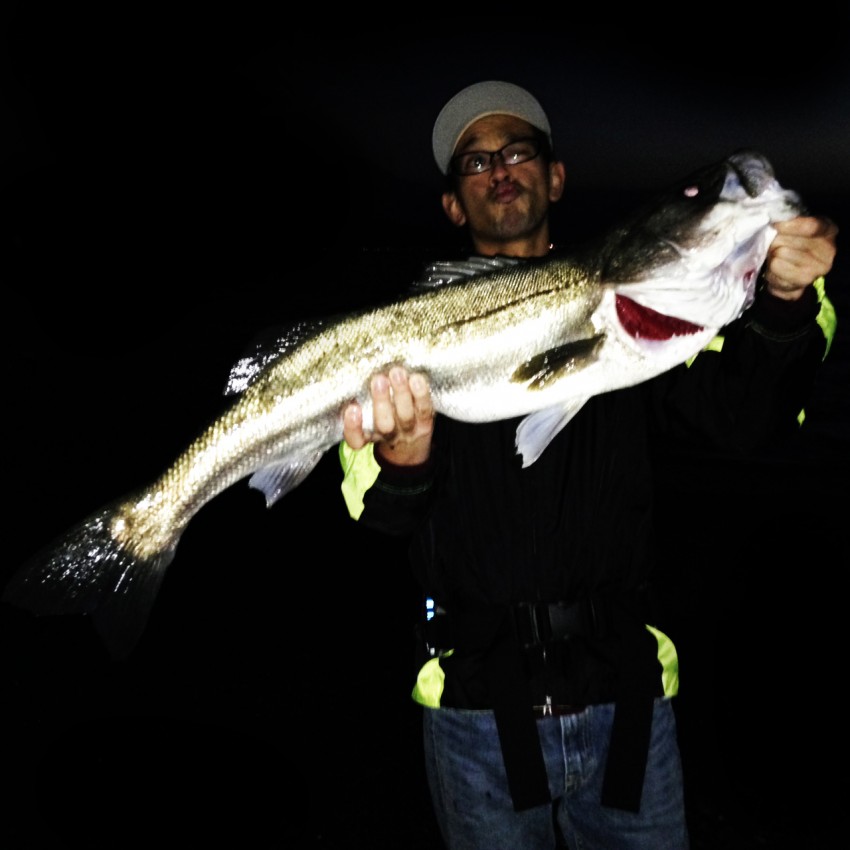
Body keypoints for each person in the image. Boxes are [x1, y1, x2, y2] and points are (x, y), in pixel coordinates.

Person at [338, 81, 838, 850]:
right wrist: (405, 461)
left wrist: (784, 302)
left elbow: (750, 418)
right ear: (452, 205)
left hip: (627, 697)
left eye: (518, 151)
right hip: (474, 705)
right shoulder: (405, 340)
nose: (499, 169)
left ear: (555, 177)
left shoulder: (654, 319)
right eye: (476, 161)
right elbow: (378, 515)